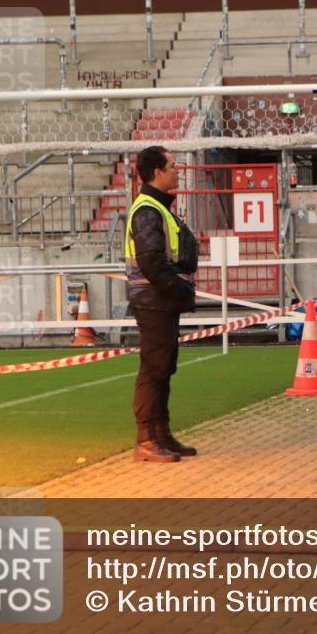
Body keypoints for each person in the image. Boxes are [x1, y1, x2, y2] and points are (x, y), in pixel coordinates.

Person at [125, 146, 199, 462]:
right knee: (154, 371)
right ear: (157, 172)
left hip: (159, 300)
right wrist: (180, 289)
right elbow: (152, 263)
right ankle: (147, 440)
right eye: (172, 165)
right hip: (153, 300)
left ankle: (161, 435)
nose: (178, 169)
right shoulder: (147, 211)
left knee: (162, 369)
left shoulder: (155, 208)